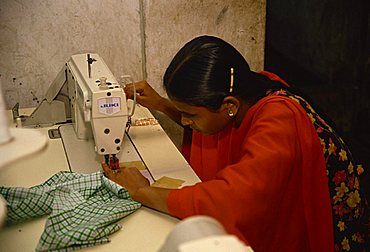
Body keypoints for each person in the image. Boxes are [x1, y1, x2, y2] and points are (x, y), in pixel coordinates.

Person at [102, 36, 369, 251]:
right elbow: (212, 123)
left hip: (328, 230)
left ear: (228, 105)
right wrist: (162, 105)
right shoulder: (251, 89)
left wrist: (141, 192)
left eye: (190, 114)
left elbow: (230, 200)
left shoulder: (279, 121)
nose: (185, 121)